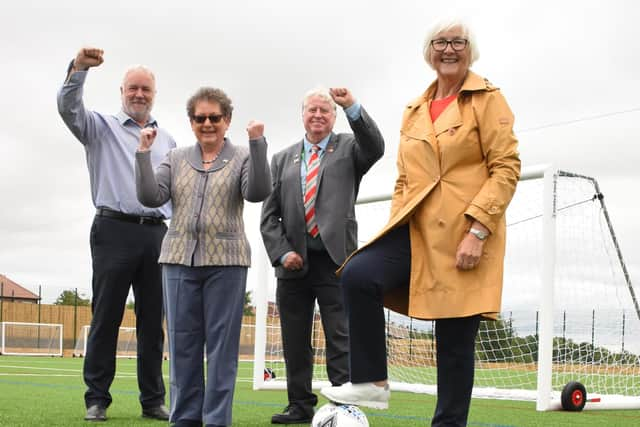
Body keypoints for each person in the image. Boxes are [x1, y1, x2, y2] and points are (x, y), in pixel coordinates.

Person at [320, 19, 521, 427]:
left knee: (453, 345)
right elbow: (405, 178)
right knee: (358, 274)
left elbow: (506, 168)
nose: (449, 49)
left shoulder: (488, 99)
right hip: (415, 230)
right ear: (429, 52)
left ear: (470, 49)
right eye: (440, 43)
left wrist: (478, 230)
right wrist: (396, 222)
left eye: (457, 42)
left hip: (466, 234)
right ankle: (372, 381)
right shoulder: (414, 109)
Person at [136, 86, 271, 427]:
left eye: (214, 117)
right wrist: (142, 154)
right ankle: (184, 420)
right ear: (191, 122)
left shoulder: (241, 156)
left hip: (227, 262)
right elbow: (151, 197)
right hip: (178, 260)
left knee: (222, 352)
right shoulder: (176, 158)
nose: (207, 123)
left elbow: (256, 192)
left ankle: (215, 421)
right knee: (183, 350)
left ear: (227, 120)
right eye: (200, 118)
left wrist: (257, 144)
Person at [57, 47, 173, 422]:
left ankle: (153, 400)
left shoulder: (168, 140)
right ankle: (97, 399)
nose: (139, 95)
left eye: (146, 90)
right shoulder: (99, 127)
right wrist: (78, 71)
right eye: (133, 89)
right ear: (122, 91)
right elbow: (68, 109)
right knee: (106, 317)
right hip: (113, 230)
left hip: (156, 235)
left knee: (152, 323)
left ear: (154, 94)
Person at [261, 87, 385, 424]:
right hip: (293, 264)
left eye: (325, 111)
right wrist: (282, 252)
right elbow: (269, 216)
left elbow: (376, 147)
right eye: (312, 110)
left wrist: (352, 107)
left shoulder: (349, 148)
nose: (318, 116)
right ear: (302, 115)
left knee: (340, 336)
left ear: (333, 117)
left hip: (337, 259)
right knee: (295, 339)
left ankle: (342, 403)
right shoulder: (282, 159)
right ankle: (299, 405)